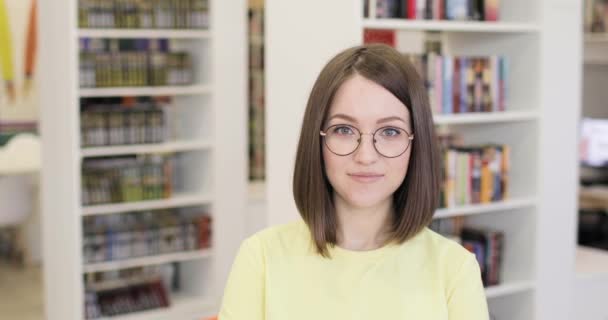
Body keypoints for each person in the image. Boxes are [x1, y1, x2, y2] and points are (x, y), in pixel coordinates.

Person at [218, 44, 489, 319]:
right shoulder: (261, 258)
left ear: (416, 144)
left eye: (390, 131)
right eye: (344, 130)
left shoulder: (454, 269)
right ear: (318, 140)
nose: (366, 156)